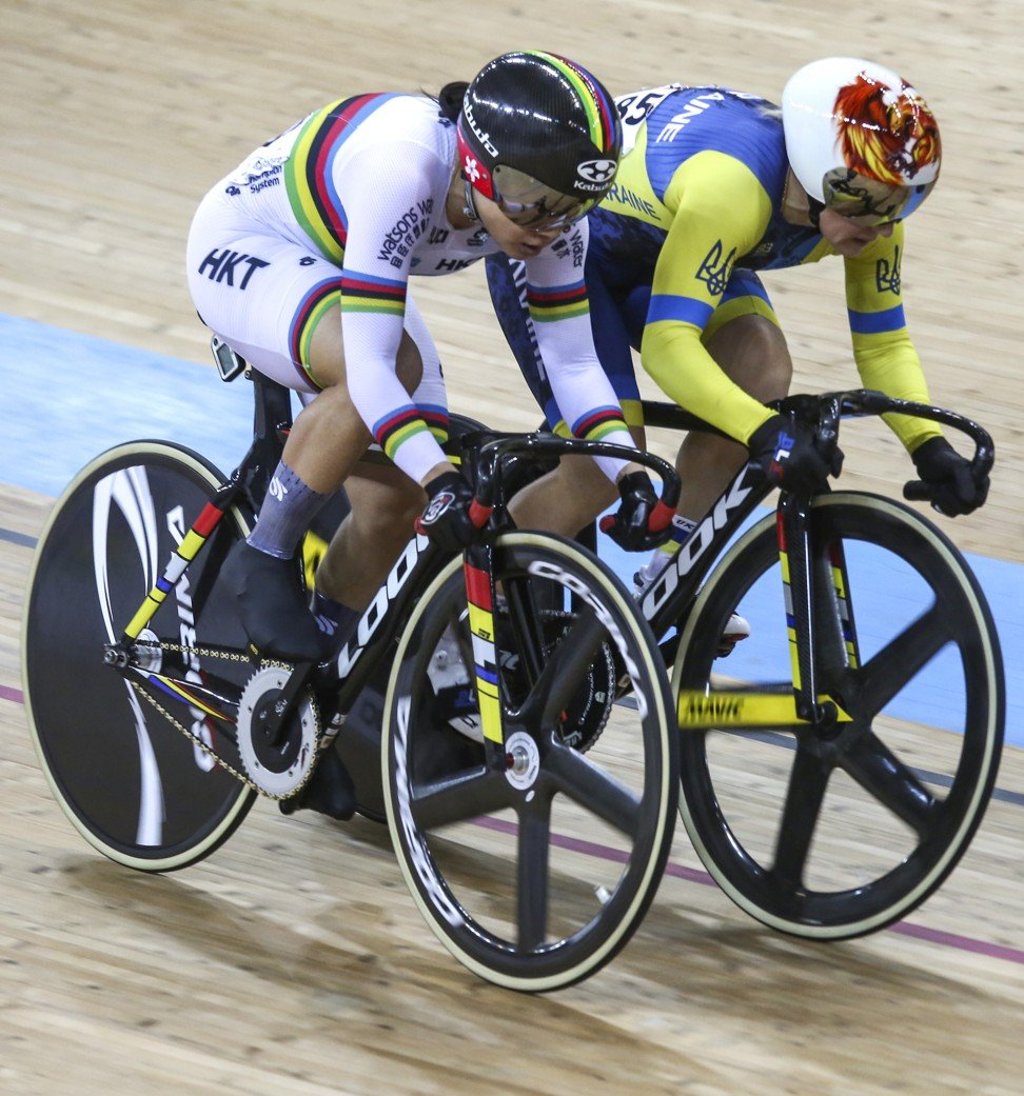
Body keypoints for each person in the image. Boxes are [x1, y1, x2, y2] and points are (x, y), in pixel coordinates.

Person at [186, 51, 673, 815]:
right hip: (253, 248)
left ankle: (303, 703)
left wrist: (630, 471)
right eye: (530, 200)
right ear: (478, 166)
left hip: (348, 271)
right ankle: (264, 555)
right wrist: (441, 478)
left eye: (568, 207)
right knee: (391, 385)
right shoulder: (405, 161)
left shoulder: (550, 222)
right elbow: (376, 374)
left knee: (393, 509)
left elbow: (578, 367)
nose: (547, 226)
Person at [487, 57, 989, 596]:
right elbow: (667, 347)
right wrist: (764, 433)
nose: (886, 224)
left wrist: (927, 444)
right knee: (606, 465)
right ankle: (462, 616)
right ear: (818, 174)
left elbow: (884, 344)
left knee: (761, 367)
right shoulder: (734, 187)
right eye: (870, 199)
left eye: (905, 200)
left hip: (667, 244)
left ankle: (672, 575)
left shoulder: (870, 219)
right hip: (570, 245)